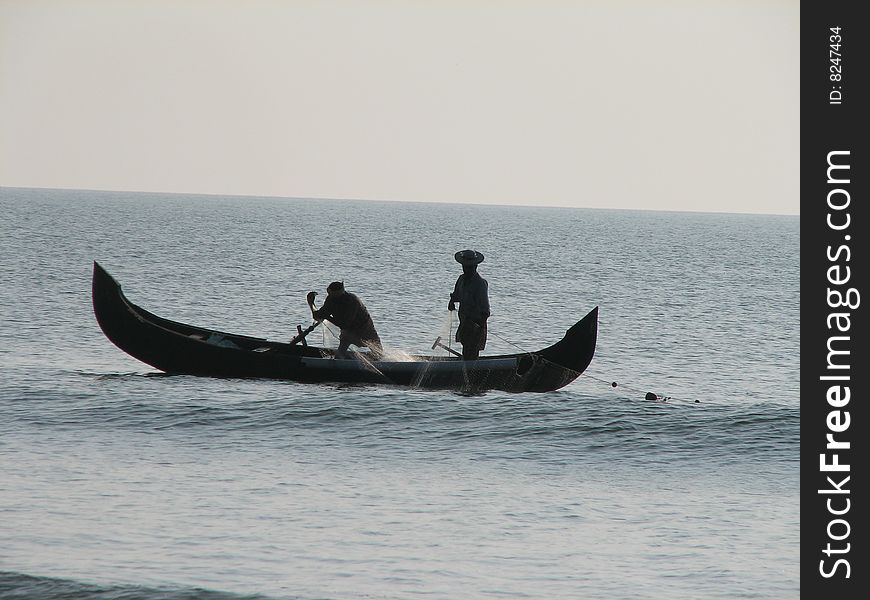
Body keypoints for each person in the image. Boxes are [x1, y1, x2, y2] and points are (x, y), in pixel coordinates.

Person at [307, 281, 382, 359]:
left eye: (337, 296)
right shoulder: (331, 299)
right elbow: (317, 316)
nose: (334, 298)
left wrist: (327, 317)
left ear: (342, 292)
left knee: (378, 354)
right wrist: (311, 303)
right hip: (348, 332)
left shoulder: (352, 301)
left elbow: (345, 325)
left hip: (364, 328)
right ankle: (341, 359)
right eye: (331, 294)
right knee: (340, 353)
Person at [448, 249, 490, 360]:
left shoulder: (480, 283)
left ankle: (469, 370)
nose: (467, 269)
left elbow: (485, 311)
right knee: (466, 349)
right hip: (464, 322)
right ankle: (466, 367)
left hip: (476, 324)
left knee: (471, 353)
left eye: (470, 266)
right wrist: (451, 302)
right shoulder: (461, 279)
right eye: (465, 266)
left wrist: (478, 327)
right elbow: (456, 295)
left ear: (475, 267)